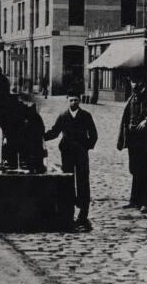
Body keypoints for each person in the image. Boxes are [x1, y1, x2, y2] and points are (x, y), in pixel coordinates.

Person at [44, 91, 98, 230]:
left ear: (79, 101)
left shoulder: (86, 116)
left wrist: (86, 146)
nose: (74, 103)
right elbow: (55, 132)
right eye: (71, 100)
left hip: (81, 153)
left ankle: (83, 215)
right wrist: (41, 136)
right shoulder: (63, 116)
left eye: (76, 100)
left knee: (83, 182)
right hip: (67, 153)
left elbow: (93, 134)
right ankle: (68, 213)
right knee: (67, 181)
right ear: (67, 101)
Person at [117, 78, 147, 214]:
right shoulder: (131, 99)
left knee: (144, 169)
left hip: (144, 139)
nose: (134, 84)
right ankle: (135, 200)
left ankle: (146, 203)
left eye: (136, 82)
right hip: (132, 139)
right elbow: (125, 119)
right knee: (134, 168)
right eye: (132, 82)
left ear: (142, 84)